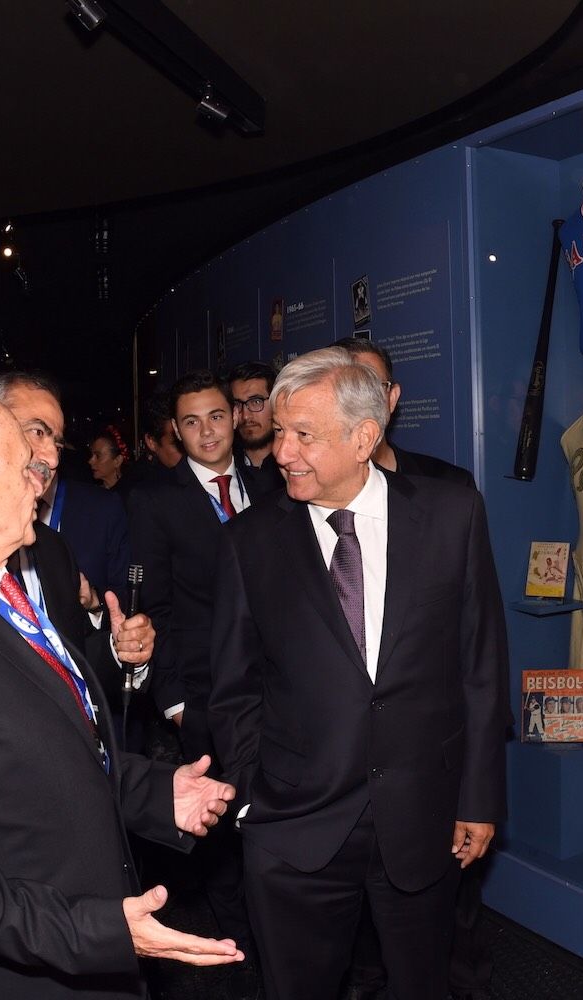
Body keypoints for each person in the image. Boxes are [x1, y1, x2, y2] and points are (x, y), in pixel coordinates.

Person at [0, 383, 243, 998]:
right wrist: (101, 930)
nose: (42, 479)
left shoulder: (1, 592)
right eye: (23, 466)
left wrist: (153, 790)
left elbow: (50, 752)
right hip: (34, 975)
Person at [208, 347, 508, 1000]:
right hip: (294, 829)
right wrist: (252, 795)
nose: (282, 451)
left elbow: (481, 669)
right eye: (281, 431)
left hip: (424, 820)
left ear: (364, 437)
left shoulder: (452, 515)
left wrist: (479, 797)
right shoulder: (249, 542)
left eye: (303, 435)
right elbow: (232, 688)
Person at [127, 368, 276, 954]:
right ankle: (239, 936)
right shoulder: (155, 501)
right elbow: (155, 606)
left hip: (276, 686)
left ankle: (277, 921)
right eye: (191, 422)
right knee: (219, 818)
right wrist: (175, 703)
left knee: (274, 808)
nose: (206, 431)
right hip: (205, 694)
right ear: (176, 430)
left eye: (217, 416)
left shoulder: (271, 486)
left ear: (236, 419)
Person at [0, 372, 130, 598]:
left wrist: (96, 610)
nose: (53, 459)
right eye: (38, 432)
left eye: (57, 445)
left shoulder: (52, 550)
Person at [331, 337, 475, 487]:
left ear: (392, 399)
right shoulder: (307, 488)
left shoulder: (450, 486)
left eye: (372, 387)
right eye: (343, 389)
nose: (357, 401)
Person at [226, 361, 283, 488]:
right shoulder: (224, 469)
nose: (245, 415)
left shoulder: (296, 465)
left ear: (276, 402)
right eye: (237, 404)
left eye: (256, 402)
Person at [89, 424, 130, 493]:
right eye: (91, 455)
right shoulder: (93, 493)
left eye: (98, 456)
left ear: (117, 461)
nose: (90, 461)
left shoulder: (131, 495)